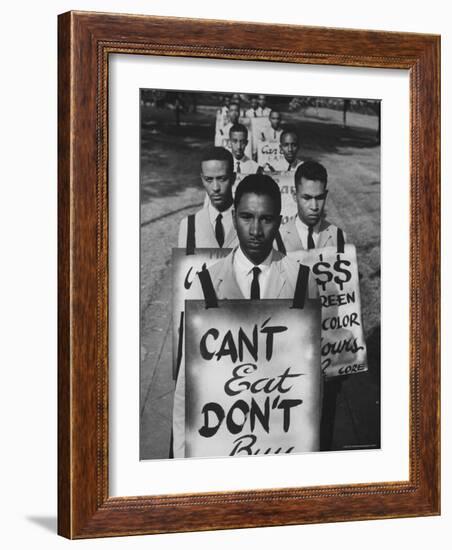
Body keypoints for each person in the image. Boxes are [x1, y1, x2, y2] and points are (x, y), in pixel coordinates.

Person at [172, 175, 317, 457]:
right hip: (221, 441)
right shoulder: (205, 284)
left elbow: (309, 386)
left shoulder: (303, 281)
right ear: (234, 216)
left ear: (279, 220)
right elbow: (185, 391)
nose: (255, 230)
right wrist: (182, 462)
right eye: (246, 217)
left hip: (278, 442)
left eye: (266, 219)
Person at [177, 147, 238, 249]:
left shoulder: (250, 222)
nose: (215, 188)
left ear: (233, 178)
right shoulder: (189, 225)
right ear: (202, 179)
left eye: (222, 179)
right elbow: (184, 264)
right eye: (209, 179)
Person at [280, 160, 346, 251]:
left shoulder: (338, 237)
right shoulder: (278, 238)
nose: (314, 207)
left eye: (319, 198)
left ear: (325, 195)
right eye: (307, 198)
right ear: (295, 196)